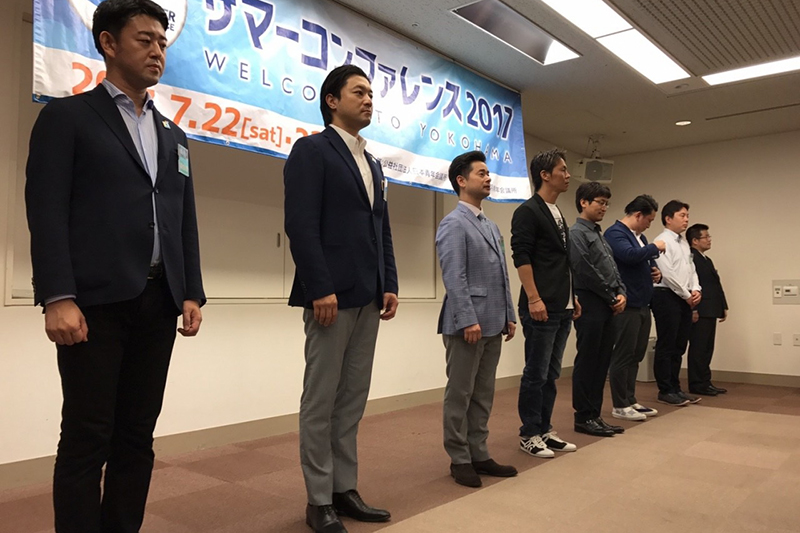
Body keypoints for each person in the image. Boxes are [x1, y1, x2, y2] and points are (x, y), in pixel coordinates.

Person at [25, 1, 205, 531]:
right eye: (145, 40)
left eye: (162, 43)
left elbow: (183, 217)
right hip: (93, 304)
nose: (157, 51)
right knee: (87, 437)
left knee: (137, 436)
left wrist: (190, 289)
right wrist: (57, 296)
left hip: (159, 302)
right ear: (108, 43)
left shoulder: (173, 135)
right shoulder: (66, 118)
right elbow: (46, 211)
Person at [284, 64, 399, 533]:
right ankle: (318, 500)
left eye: (371, 93)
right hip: (330, 296)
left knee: (352, 398)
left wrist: (389, 281)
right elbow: (301, 224)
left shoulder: (373, 163)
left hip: (369, 295)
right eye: (359, 92)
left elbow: (380, 228)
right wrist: (319, 287)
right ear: (332, 100)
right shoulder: (312, 150)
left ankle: (343, 488)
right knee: (321, 399)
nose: (369, 99)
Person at [436, 151, 518, 488]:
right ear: (461, 180)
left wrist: (510, 314)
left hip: (494, 321)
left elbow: (502, 275)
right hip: (467, 324)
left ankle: (479, 452)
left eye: (488, 173)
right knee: (460, 393)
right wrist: (468, 319)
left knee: (483, 393)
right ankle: (459, 458)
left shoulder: (491, 225)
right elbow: (454, 276)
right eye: (481, 173)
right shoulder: (453, 223)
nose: (488, 178)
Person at [510, 148, 580, 458]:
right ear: (545, 175)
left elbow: (560, 261)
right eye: (562, 169)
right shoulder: (528, 211)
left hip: (562, 305)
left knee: (551, 374)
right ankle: (529, 433)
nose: (568, 175)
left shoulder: (557, 211)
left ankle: (544, 429)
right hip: (541, 306)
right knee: (535, 373)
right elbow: (522, 257)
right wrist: (534, 298)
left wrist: (573, 297)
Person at [568, 183, 627, 437]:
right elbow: (584, 270)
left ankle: (595, 415)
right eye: (600, 202)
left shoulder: (599, 234)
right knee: (588, 360)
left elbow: (613, 269)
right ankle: (583, 417)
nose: (604, 207)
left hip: (607, 302)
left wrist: (621, 292)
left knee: (602, 361)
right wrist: (611, 296)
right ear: (584, 202)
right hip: (590, 302)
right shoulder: (576, 233)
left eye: (606, 203)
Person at [604, 195, 665, 421]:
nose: (649, 224)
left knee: (636, 354)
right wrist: (654, 247)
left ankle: (630, 399)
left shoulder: (640, 237)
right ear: (638, 215)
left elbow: (646, 261)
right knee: (623, 354)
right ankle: (620, 405)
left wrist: (655, 271)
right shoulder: (615, 233)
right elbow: (629, 256)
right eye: (649, 220)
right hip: (626, 304)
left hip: (642, 303)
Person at [651, 200, 701, 406]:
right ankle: (665, 389)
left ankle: (676, 387)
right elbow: (668, 274)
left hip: (684, 296)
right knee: (667, 343)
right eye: (682, 215)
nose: (686, 219)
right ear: (668, 219)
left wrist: (696, 289)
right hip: (666, 295)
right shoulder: (661, 241)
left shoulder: (684, 243)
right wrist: (686, 294)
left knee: (680, 345)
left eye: (687, 215)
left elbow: (691, 269)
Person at [686, 224, 729, 396]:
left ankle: (705, 381)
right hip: (701, 309)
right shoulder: (691, 258)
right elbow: (691, 285)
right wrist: (693, 309)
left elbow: (715, 285)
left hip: (711, 308)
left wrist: (723, 306)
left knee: (707, 348)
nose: (709, 239)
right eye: (706, 236)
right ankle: (697, 383)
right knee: (699, 347)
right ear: (695, 241)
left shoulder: (706, 259)